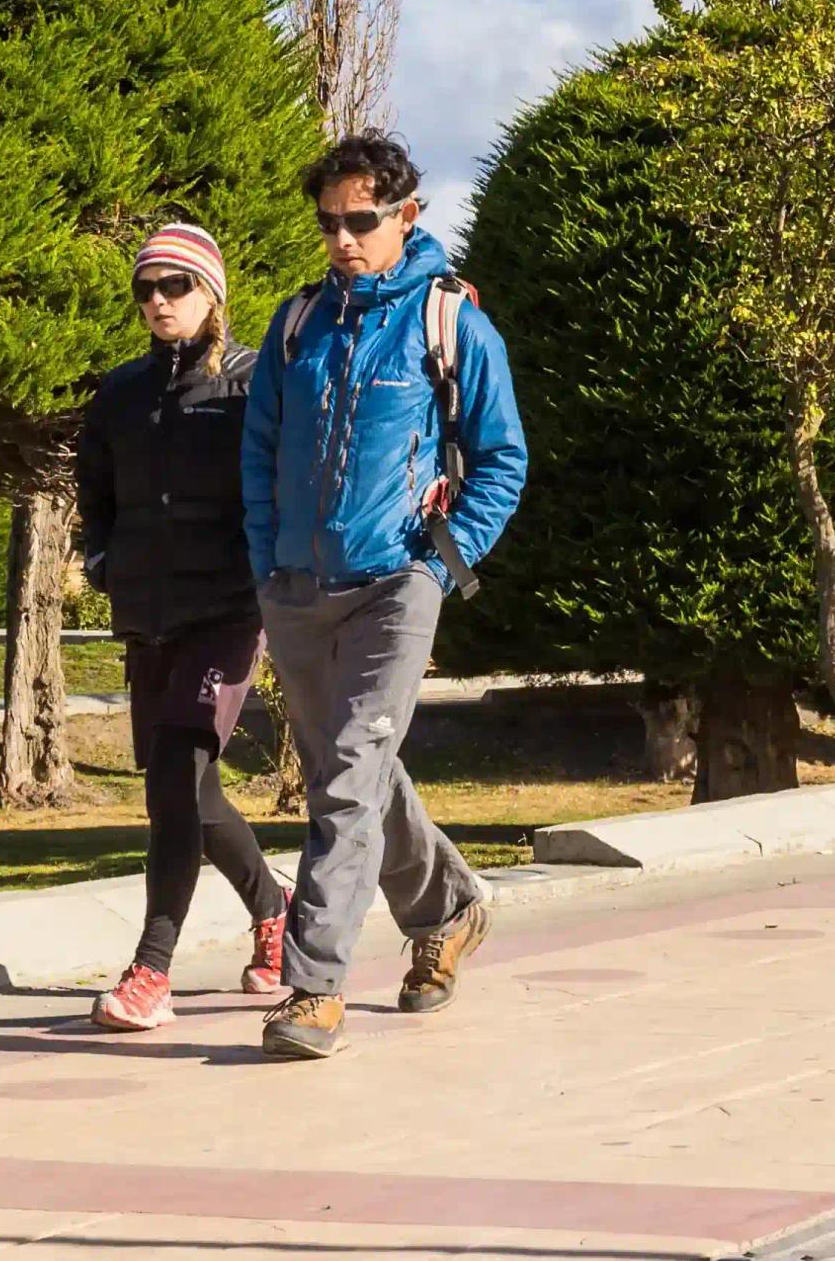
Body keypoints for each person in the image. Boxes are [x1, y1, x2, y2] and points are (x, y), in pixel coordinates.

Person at [239, 132, 527, 1061]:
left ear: (407, 216)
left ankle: (315, 988)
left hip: (398, 580)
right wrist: (263, 561)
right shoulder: (296, 326)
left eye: (360, 220)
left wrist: (442, 564)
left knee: (348, 778)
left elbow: (502, 461)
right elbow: (259, 457)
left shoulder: (451, 323)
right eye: (328, 222)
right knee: (357, 776)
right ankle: (448, 909)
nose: (342, 239)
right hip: (295, 586)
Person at [76, 223, 290, 1030]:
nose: (159, 301)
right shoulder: (121, 393)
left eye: (176, 286)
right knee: (194, 793)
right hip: (147, 616)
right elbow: (93, 489)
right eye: (146, 289)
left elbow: (277, 486)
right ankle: (276, 908)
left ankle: (151, 972)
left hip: (228, 615)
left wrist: (266, 576)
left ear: (213, 295)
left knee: (172, 782)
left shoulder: (247, 386)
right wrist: (102, 561)